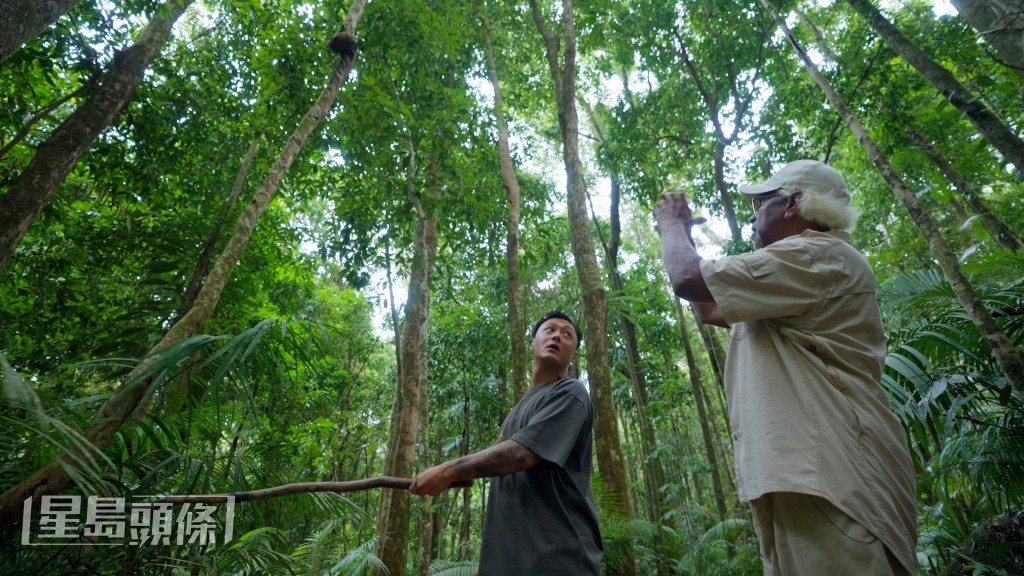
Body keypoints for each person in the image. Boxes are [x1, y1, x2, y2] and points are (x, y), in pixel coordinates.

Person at [653, 160, 917, 576]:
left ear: (793, 203)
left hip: (831, 474)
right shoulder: (795, 275)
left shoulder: (818, 254)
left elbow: (688, 279)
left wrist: (669, 223)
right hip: (807, 474)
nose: (753, 214)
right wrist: (682, 230)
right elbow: (708, 308)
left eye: (761, 203)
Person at [409, 310, 603, 575]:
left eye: (567, 334)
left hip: (559, 558)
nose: (557, 335)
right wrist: (491, 563)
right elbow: (513, 491)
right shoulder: (515, 413)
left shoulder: (571, 393)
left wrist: (448, 470)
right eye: (549, 330)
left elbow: (523, 454)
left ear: (574, 355)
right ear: (532, 343)